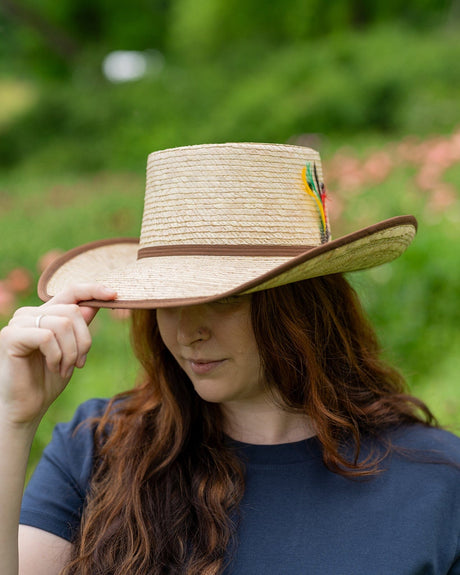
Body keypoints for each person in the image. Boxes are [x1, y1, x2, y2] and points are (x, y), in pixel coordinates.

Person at [0, 143, 459, 575]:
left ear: (300, 303)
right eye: (168, 300)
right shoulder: (98, 447)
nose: (187, 331)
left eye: (224, 299)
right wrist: (12, 419)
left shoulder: (435, 481)